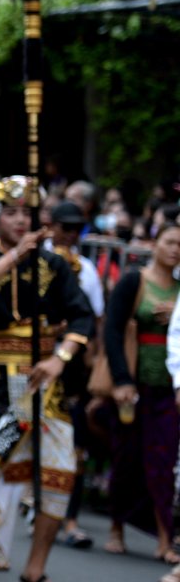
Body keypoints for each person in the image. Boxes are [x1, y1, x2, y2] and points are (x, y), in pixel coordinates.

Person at [0, 176, 94, 581]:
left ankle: (35, 568)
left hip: (44, 379)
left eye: (26, 213)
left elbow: (82, 314)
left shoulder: (55, 265)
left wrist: (60, 359)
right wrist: (14, 256)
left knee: (58, 474)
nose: (19, 220)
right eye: (10, 212)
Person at [104, 222, 180, 564]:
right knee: (126, 457)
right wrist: (121, 379)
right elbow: (113, 330)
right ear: (155, 244)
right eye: (169, 242)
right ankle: (116, 527)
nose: (175, 250)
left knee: (163, 461)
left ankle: (165, 537)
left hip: (168, 386)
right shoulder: (134, 280)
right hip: (134, 385)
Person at [43, 200, 105, 550]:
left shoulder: (87, 270)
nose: (70, 235)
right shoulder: (36, 258)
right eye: (64, 228)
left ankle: (69, 520)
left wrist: (92, 371)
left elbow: (92, 323)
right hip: (24, 363)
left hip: (69, 367)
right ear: (51, 226)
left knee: (72, 445)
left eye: (76, 229)